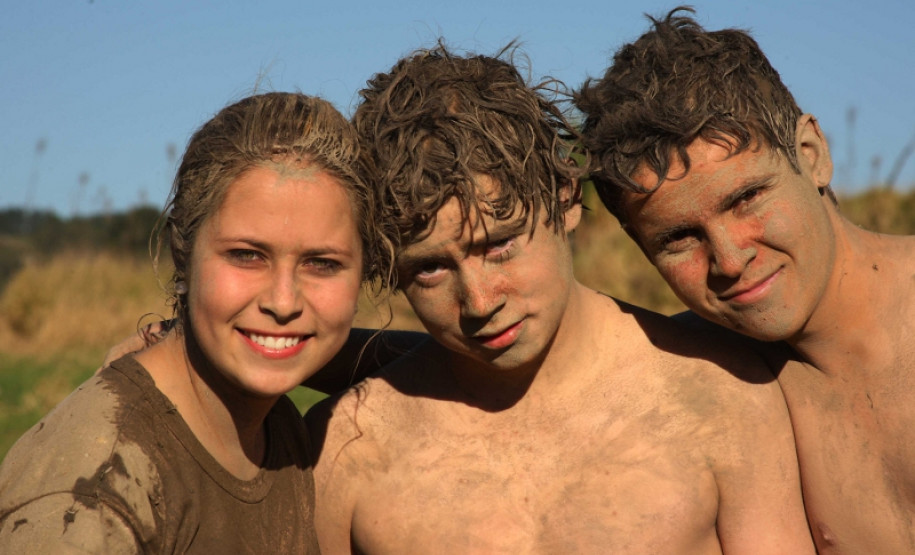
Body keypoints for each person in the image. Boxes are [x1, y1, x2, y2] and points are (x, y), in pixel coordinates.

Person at [306, 44, 815, 553]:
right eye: (431, 269)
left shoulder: (721, 398)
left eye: (500, 244)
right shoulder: (347, 448)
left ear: (566, 198)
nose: (479, 302)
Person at [575, 7, 915, 553]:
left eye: (747, 198)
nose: (729, 260)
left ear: (812, 155)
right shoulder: (704, 370)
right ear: (643, 251)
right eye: (680, 238)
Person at [0, 92, 389, 553]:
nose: (283, 302)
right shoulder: (96, 494)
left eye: (321, 263)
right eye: (247, 256)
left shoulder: (277, 431)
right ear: (183, 256)